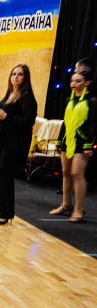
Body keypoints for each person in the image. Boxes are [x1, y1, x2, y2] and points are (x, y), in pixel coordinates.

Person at [0, 64, 38, 225]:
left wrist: (6, 117)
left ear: (25, 77)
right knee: (1, 175)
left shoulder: (27, 97)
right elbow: (5, 113)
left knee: (5, 175)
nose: (16, 77)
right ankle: (0, 211)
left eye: (20, 74)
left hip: (16, 142)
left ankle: (6, 213)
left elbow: (28, 122)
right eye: (13, 74)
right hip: (4, 139)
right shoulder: (10, 93)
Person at [50, 68, 95, 223]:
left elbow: (93, 125)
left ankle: (79, 209)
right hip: (67, 140)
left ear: (87, 83)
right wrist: (58, 140)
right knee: (66, 172)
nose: (73, 84)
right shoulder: (69, 100)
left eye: (78, 81)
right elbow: (65, 121)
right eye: (72, 81)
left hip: (82, 141)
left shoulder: (92, 100)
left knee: (77, 173)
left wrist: (89, 144)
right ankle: (66, 204)